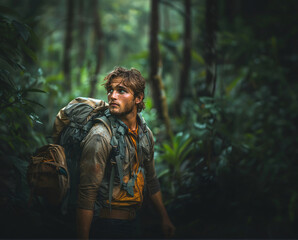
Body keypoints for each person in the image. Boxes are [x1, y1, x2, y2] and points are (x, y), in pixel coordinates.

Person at [76, 67, 175, 239]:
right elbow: (87, 194)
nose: (112, 96)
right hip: (106, 226)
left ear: (138, 98)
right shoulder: (100, 136)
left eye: (121, 91)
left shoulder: (145, 134)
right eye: (110, 90)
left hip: (134, 222)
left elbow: (151, 179)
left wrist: (164, 218)